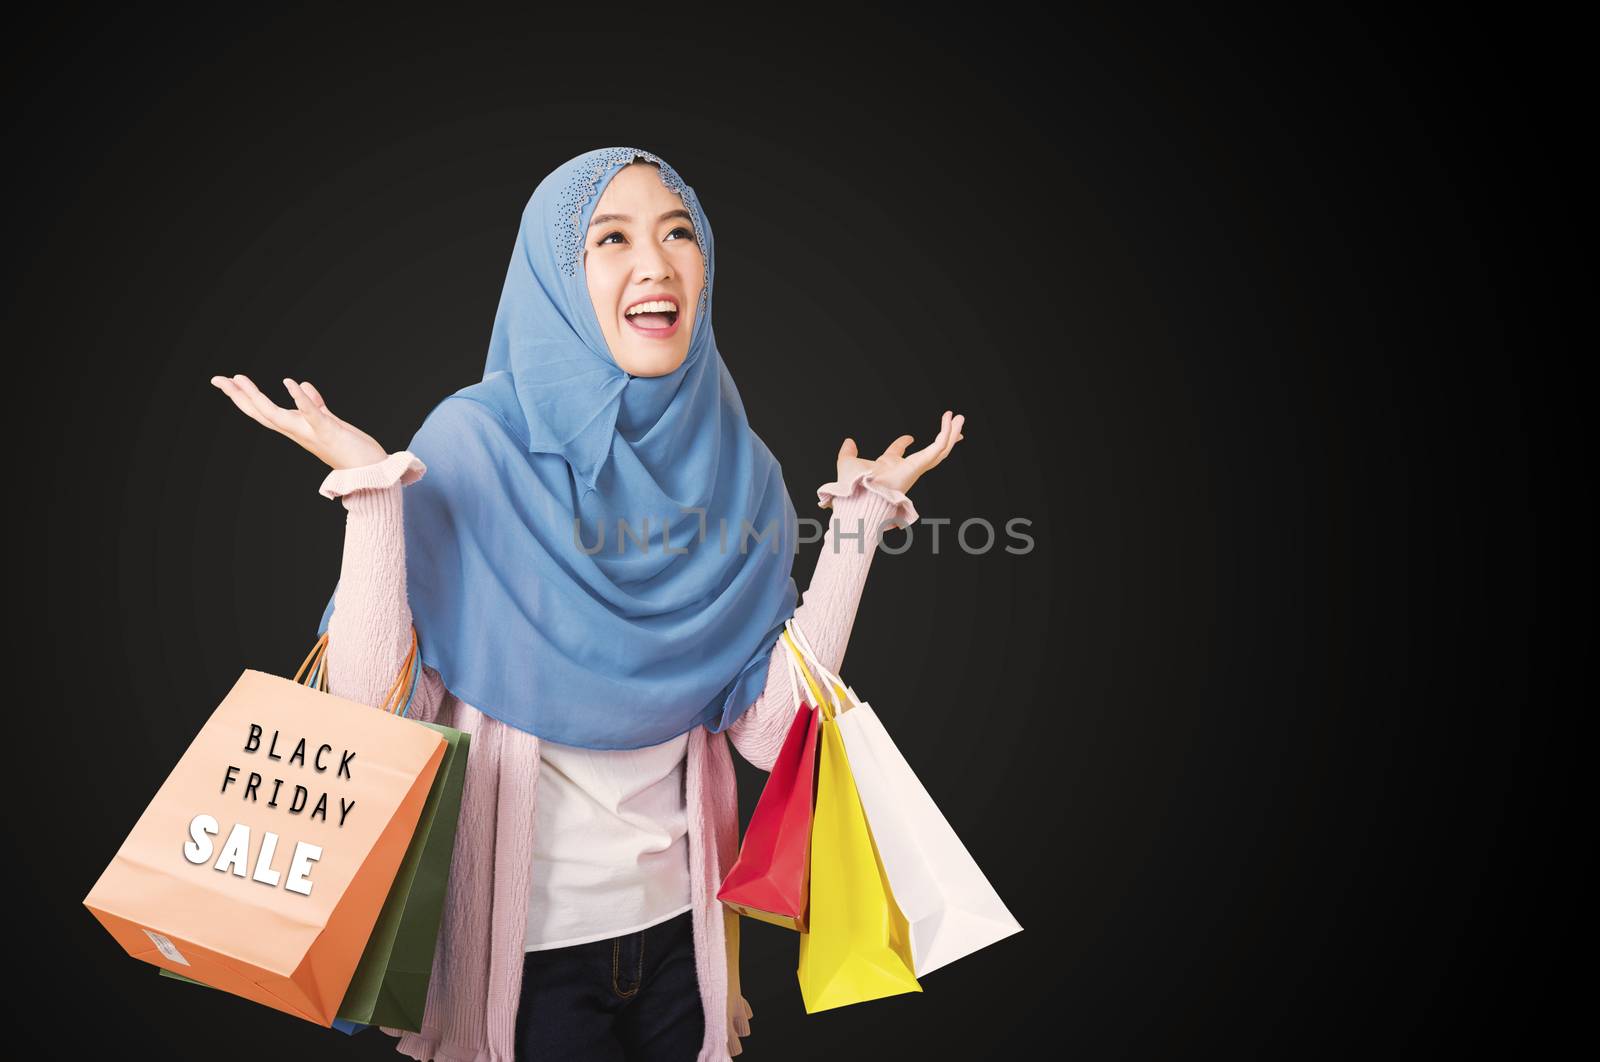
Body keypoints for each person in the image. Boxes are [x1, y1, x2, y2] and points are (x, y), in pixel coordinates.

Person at [209, 146, 965, 1061]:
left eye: (679, 232)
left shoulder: (744, 470)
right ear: (557, 277)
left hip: (684, 939)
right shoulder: (472, 445)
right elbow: (372, 713)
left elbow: (769, 736)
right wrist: (373, 491)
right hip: (521, 959)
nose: (656, 261)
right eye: (612, 238)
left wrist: (857, 529)